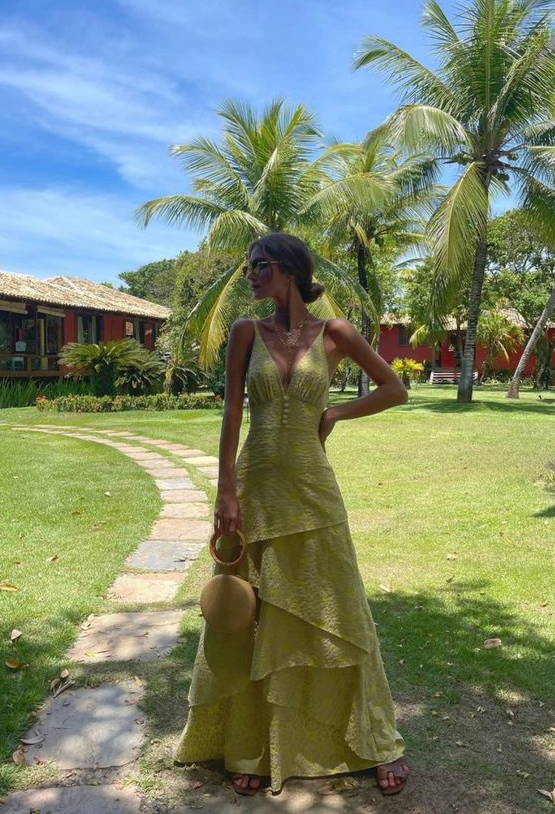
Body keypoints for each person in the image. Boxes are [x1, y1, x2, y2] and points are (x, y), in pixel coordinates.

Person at [174, 233, 411, 797]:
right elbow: (233, 411)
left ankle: (376, 741)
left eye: (259, 265)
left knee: (342, 609)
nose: (250, 275)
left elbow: (395, 389)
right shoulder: (245, 332)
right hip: (254, 485)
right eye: (249, 266)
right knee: (249, 611)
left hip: (312, 486)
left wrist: (335, 414)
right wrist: (225, 489)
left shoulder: (336, 333)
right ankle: (250, 745)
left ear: (287, 269)